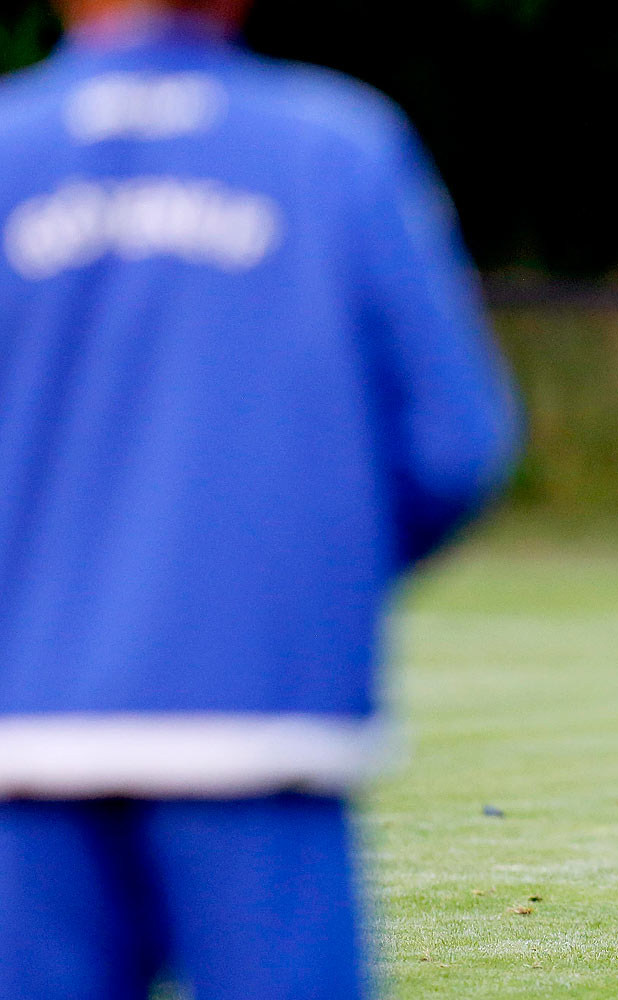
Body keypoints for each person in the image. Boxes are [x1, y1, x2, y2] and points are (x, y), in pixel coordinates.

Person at [0, 1, 520, 996]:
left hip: (23, 723)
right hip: (261, 714)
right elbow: (456, 444)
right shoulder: (334, 147)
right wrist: (310, 572)